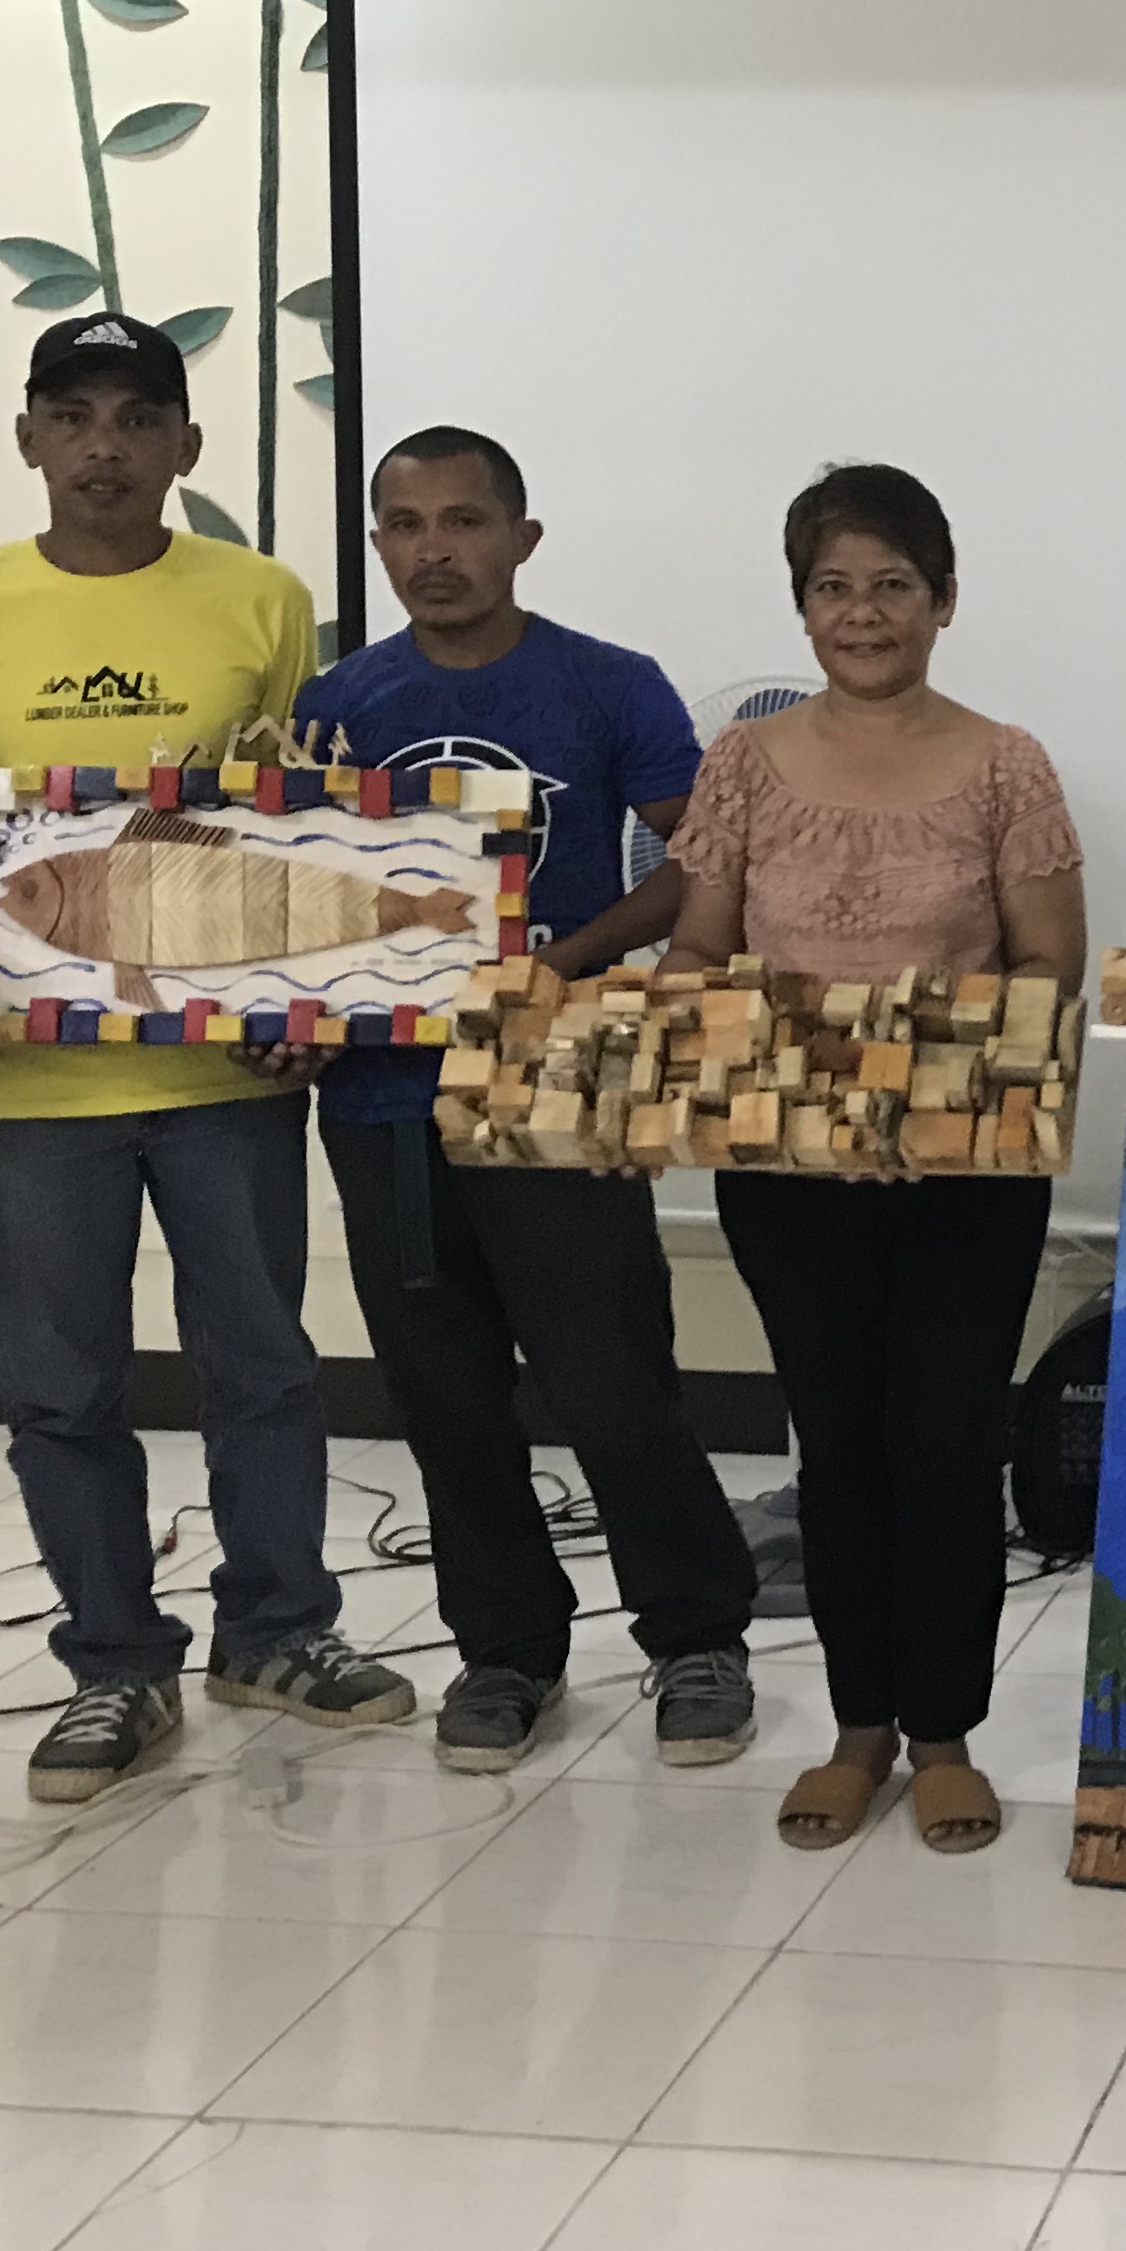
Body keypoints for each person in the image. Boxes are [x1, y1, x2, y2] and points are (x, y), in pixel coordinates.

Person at [0, 310, 412, 1805]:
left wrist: (309, 997)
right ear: (31, 438)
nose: (105, 443)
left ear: (186, 444)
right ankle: (115, 1663)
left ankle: (279, 1633)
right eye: (75, 413)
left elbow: (296, 819)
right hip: (31, 1093)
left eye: (138, 415)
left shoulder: (264, 597)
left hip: (225, 1079)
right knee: (61, 1392)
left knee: (265, 1370)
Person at [296, 427, 759, 1775]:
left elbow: (703, 858)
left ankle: (696, 1637)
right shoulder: (337, 702)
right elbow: (302, 895)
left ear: (522, 537)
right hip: (384, 1099)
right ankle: (505, 1652)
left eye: (464, 521)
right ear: (378, 542)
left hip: (557, 1075)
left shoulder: (608, 685)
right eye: (404, 525)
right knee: (442, 1393)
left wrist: (560, 966)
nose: (434, 551)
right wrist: (296, 1006)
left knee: (609, 1377)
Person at [667, 462, 1083, 1857]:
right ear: (802, 610)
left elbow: (1047, 973)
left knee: (951, 1447)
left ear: (945, 600)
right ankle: (858, 1727)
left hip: (965, 1174)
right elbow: (700, 952)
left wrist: (925, 1111)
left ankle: (948, 1732)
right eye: (834, 588)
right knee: (838, 1449)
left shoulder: (1006, 761)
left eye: (893, 585)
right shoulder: (742, 766)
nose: (864, 612)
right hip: (788, 1177)